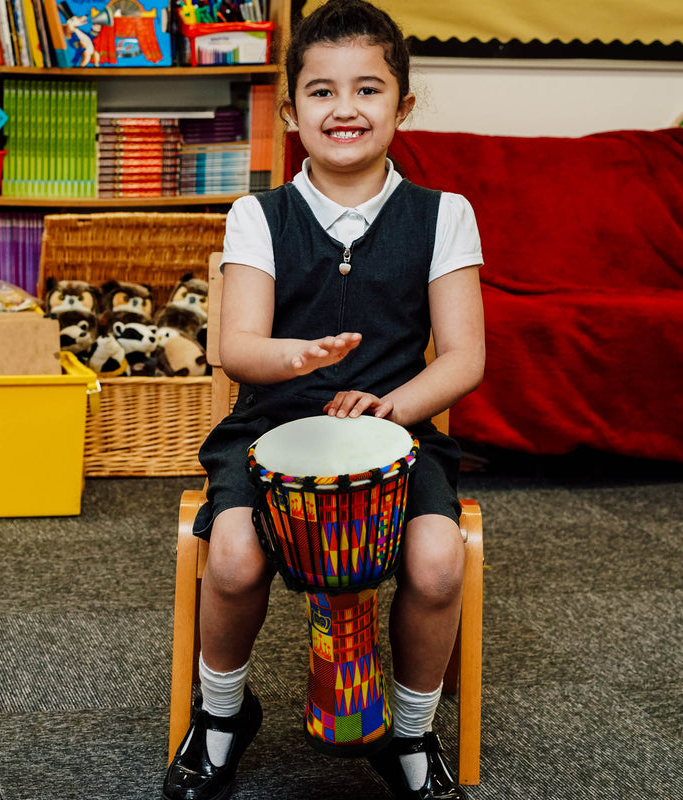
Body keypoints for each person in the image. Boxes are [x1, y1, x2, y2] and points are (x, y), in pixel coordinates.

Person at [163, 1, 485, 798]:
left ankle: (409, 731)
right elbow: (234, 347)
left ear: (402, 106)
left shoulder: (444, 215)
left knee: (441, 562)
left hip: (396, 437)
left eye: (368, 89)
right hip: (269, 430)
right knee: (233, 557)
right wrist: (294, 355)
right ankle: (222, 715)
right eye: (322, 92)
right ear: (293, 111)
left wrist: (397, 408)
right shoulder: (257, 215)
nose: (345, 109)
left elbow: (466, 356)